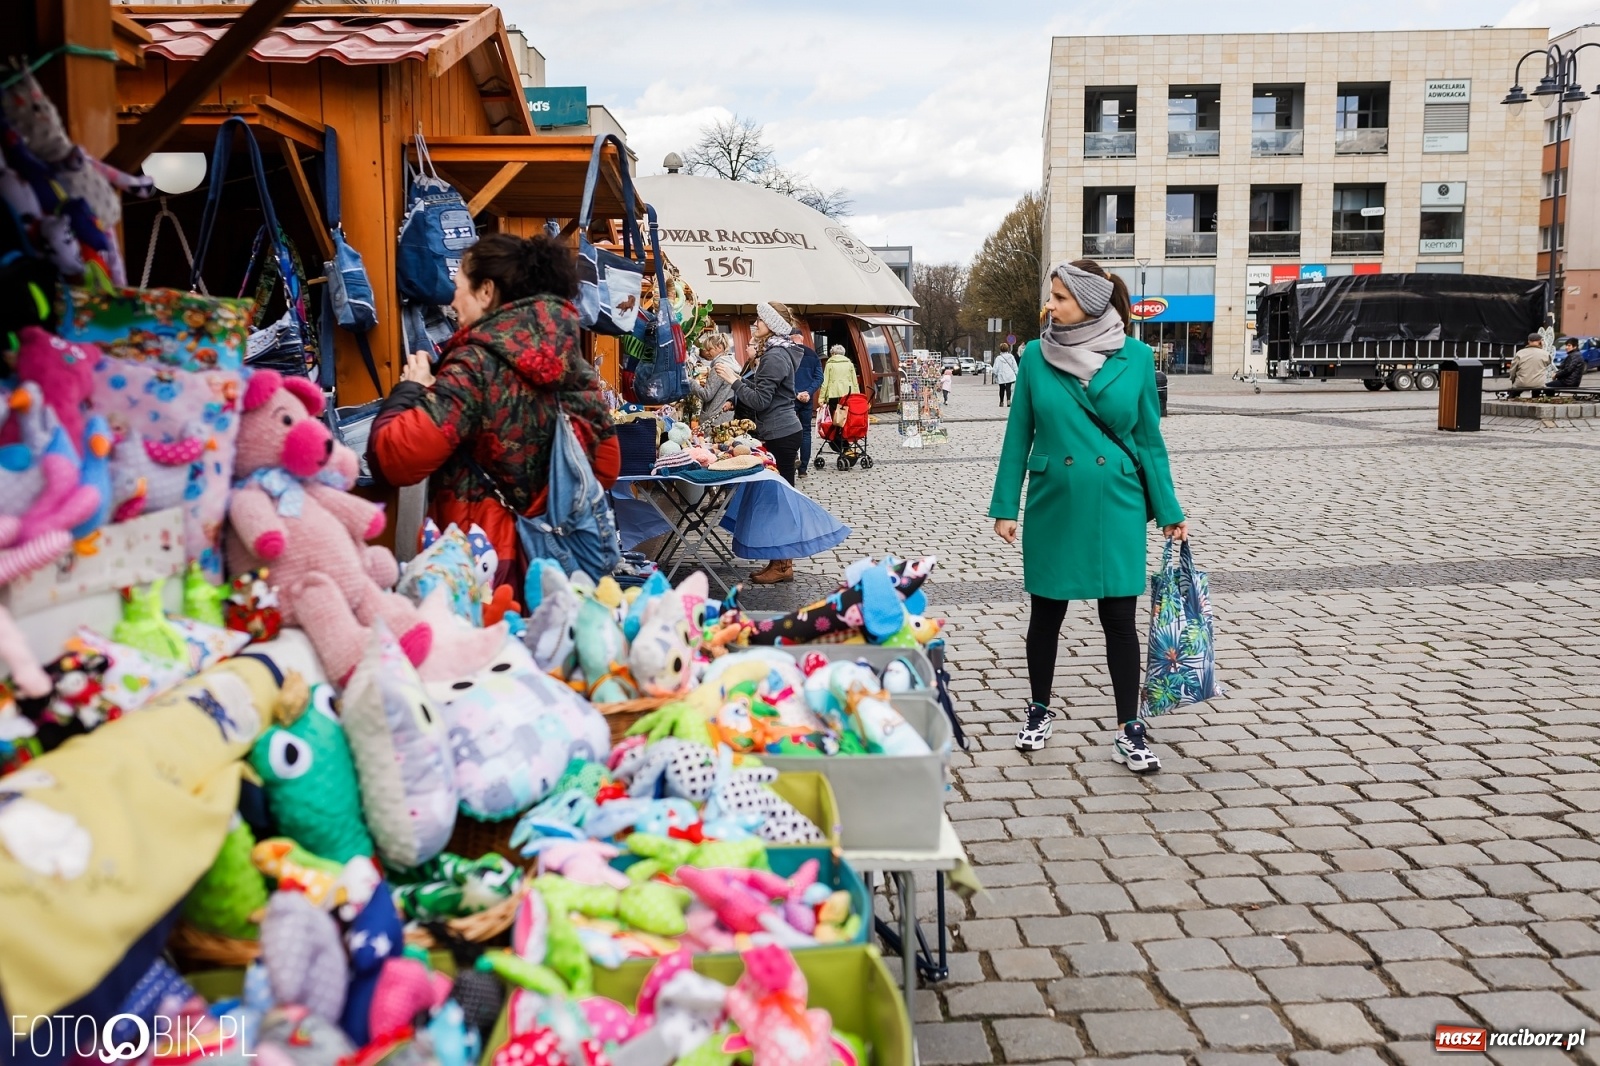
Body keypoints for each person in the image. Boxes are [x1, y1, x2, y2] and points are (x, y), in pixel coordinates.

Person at [989, 259, 1187, 772]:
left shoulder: (1138, 357)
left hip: (1116, 502)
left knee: (1119, 619)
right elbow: (1019, 434)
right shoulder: (1034, 356)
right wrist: (1005, 506)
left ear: (1090, 303)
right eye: (1051, 296)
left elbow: (1148, 439)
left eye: (1060, 298)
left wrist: (1168, 509)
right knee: (1047, 614)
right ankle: (1038, 710)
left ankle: (1130, 728)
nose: (1049, 306)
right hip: (1055, 499)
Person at [369, 232, 618, 589]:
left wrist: (411, 390)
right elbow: (605, 466)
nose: (452, 299)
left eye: (459, 285)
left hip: (478, 560)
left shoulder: (473, 365)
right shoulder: (573, 363)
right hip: (558, 563)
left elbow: (395, 458)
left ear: (486, 291)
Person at [717, 299, 804, 584]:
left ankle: (782, 565)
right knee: (774, 499)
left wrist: (733, 380)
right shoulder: (774, 352)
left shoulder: (775, 356)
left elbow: (761, 401)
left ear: (772, 325)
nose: (755, 325)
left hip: (780, 434)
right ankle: (780, 562)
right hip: (778, 432)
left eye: (759, 321)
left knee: (778, 502)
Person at [791, 329, 824, 477]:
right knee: (806, 432)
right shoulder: (813, 354)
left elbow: (785, 377)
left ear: (791, 338)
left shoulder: (787, 354)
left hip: (790, 398)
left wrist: (797, 393)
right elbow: (819, 377)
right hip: (807, 399)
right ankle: (803, 469)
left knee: (789, 431)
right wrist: (808, 392)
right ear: (802, 339)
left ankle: (793, 459)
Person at [692, 331, 738, 429]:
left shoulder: (719, 367)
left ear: (719, 347)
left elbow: (706, 395)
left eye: (710, 349)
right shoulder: (732, 364)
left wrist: (690, 382)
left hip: (713, 420)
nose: (707, 353)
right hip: (726, 417)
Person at [818, 343, 861, 419]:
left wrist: (821, 398)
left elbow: (825, 383)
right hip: (848, 394)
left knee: (835, 417)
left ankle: (837, 430)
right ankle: (845, 430)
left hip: (833, 394)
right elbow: (855, 382)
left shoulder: (829, 365)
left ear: (833, 353)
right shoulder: (850, 364)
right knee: (847, 417)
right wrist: (857, 395)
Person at [1507, 332, 1551, 398]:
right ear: (1540, 341)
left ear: (1528, 341)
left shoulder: (1520, 353)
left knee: (1514, 393)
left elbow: (1513, 370)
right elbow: (1547, 364)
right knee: (1537, 390)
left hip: (1521, 383)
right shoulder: (1546, 354)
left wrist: (1513, 380)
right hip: (1538, 384)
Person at [994, 342, 1019, 407]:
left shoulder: (998, 358)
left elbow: (995, 368)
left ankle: (1001, 401)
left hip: (1001, 375)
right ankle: (1008, 400)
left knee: (1001, 388)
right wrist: (1016, 373)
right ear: (1007, 349)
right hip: (1009, 375)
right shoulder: (1011, 357)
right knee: (1008, 388)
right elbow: (1015, 366)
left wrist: (995, 374)